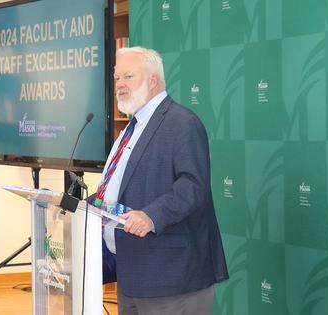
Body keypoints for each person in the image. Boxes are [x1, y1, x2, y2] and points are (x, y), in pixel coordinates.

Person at [92, 46, 229, 314]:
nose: (119, 84)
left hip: (172, 276)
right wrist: (83, 204)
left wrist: (151, 216)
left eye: (128, 77)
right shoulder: (130, 129)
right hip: (132, 274)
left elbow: (193, 185)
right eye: (117, 77)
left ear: (153, 80)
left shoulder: (182, 123)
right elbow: (115, 189)